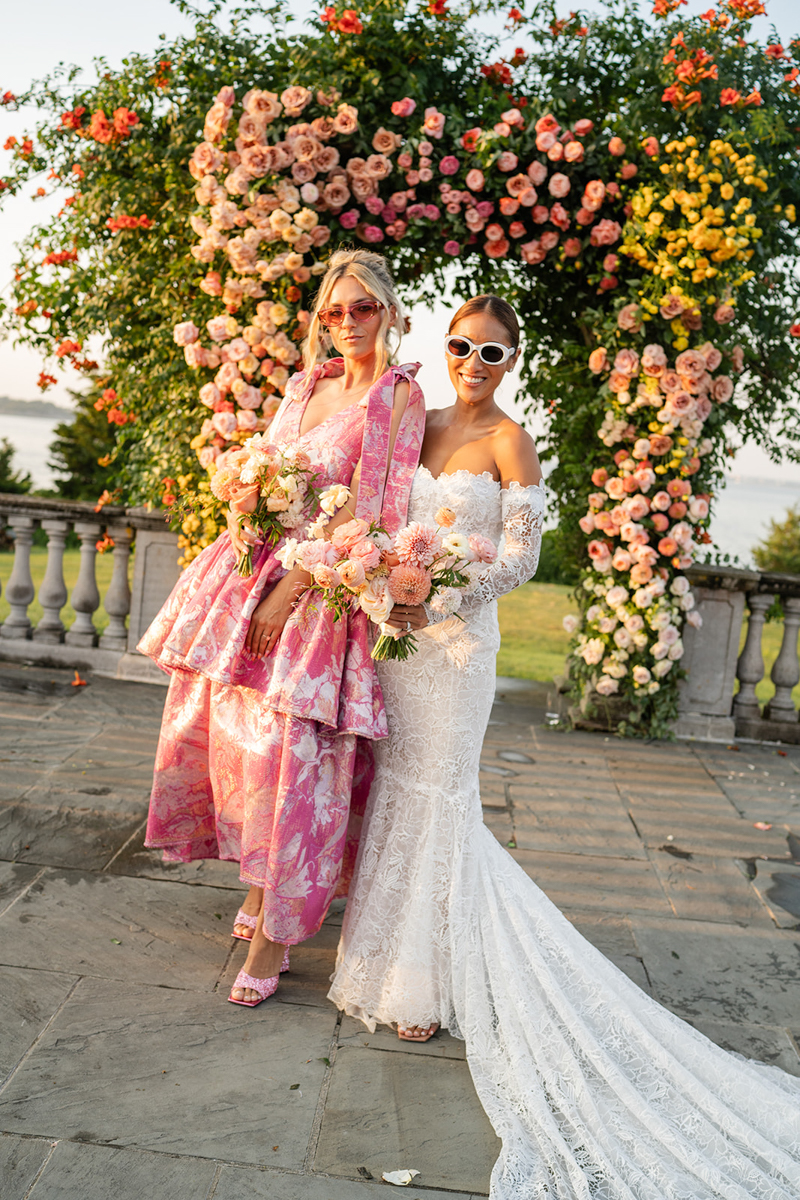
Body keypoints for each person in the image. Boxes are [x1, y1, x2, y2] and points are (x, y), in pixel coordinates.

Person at [329, 294, 800, 1198]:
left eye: (493, 351)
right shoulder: (411, 419)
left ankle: (426, 983)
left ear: (513, 360)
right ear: (444, 344)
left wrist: (443, 592)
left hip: (457, 644)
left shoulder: (512, 440)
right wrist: (381, 573)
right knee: (398, 787)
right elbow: (374, 503)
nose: (474, 360)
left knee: (440, 793)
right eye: (462, 345)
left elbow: (523, 558)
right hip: (397, 636)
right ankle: (388, 958)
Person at [139, 249, 425, 1006]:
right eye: (333, 312)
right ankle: (262, 891)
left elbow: (379, 513)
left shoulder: (397, 398)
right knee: (237, 747)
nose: (347, 324)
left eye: (362, 308)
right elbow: (270, 470)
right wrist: (250, 496)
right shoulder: (308, 382)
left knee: (295, 765)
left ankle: (277, 936)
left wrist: (293, 586)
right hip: (249, 573)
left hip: (320, 590)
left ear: (391, 312)